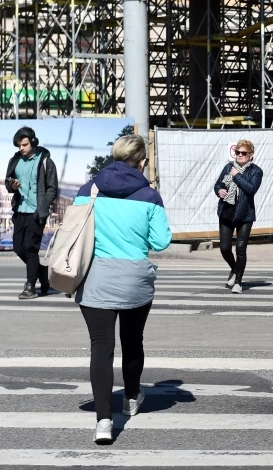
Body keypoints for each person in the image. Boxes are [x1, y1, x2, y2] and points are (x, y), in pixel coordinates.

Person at [72, 135, 172, 443]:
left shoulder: (89, 190)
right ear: (142, 161)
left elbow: (74, 228)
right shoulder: (149, 195)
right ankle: (131, 398)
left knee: (101, 348)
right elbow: (160, 242)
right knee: (132, 341)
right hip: (134, 280)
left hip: (95, 277)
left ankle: (104, 421)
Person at [4, 127, 58, 299]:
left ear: (33, 142)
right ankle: (42, 273)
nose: (21, 148)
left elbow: (52, 188)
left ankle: (30, 287)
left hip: (36, 212)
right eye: (19, 145)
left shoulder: (46, 162)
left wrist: (43, 206)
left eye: (24, 145)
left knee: (31, 248)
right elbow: (8, 182)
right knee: (19, 248)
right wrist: (11, 186)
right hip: (20, 210)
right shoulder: (15, 160)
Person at [214, 139, 263, 294]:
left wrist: (236, 176)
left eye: (244, 153)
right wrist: (219, 191)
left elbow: (250, 189)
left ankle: (238, 281)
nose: (240, 155)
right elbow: (218, 184)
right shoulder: (228, 167)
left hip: (245, 214)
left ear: (251, 155)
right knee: (224, 248)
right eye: (237, 153)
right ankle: (235, 269)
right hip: (226, 212)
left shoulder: (256, 171)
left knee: (241, 248)